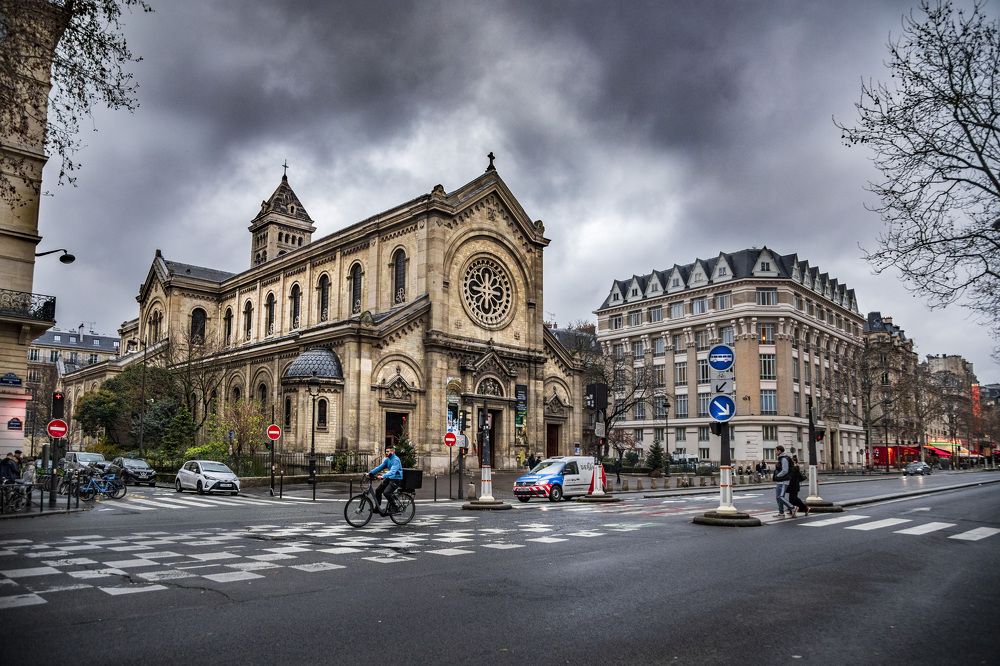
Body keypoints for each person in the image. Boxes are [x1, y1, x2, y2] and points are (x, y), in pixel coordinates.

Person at [368, 444, 403, 515]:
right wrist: (370, 473)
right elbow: (380, 467)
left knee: (386, 492)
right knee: (378, 491)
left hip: (396, 479)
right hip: (390, 478)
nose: (386, 453)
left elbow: (393, 471)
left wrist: (383, 476)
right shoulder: (388, 460)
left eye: (388, 451)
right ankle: (378, 508)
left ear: (392, 452)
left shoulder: (396, 460)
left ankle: (395, 507)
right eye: (386, 451)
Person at [772, 445, 796, 518]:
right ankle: (781, 513)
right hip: (780, 481)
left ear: (779, 451)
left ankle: (792, 507)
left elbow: (785, 470)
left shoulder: (784, 459)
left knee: (780, 497)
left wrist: (777, 476)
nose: (775, 452)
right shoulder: (781, 458)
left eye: (776, 451)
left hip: (784, 481)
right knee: (778, 497)